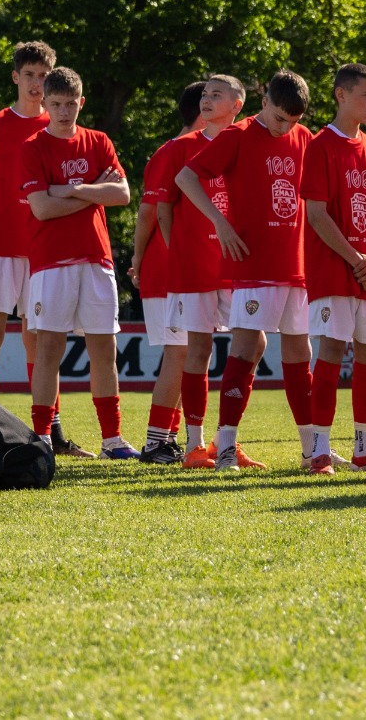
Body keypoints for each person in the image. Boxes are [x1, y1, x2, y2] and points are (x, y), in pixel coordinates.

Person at [178, 70, 314, 472]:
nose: (285, 127)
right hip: (254, 264)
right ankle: (225, 449)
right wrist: (220, 222)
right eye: (278, 117)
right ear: (264, 101)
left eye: (293, 121)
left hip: (296, 266)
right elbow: (187, 178)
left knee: (299, 354)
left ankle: (312, 450)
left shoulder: (305, 138)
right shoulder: (236, 136)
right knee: (243, 349)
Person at [23, 67, 138, 458]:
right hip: (51, 261)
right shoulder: (34, 146)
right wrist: (94, 192)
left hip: (96, 256)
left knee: (104, 349)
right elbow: (41, 208)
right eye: (55, 104)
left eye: (71, 103)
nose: (64, 111)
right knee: (49, 350)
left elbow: (121, 194)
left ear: (81, 102)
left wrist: (72, 189)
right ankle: (41, 438)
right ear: (44, 103)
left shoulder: (99, 140)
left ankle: (112, 440)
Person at [301, 64, 366, 473]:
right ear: (341, 95)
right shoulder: (320, 145)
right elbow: (317, 215)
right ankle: (319, 447)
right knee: (332, 352)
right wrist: (356, 259)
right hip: (335, 269)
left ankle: (363, 446)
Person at [155, 75, 246, 469]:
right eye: (205, 95)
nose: (206, 100)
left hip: (239, 265)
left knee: (250, 347)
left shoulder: (247, 142)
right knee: (198, 350)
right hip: (196, 268)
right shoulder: (181, 148)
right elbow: (161, 209)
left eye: (217, 95)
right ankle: (194, 445)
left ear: (237, 105)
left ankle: (227, 442)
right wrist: (183, 252)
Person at [0, 41, 56, 405]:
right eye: (29, 75)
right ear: (15, 77)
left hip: (42, 249)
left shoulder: (59, 127)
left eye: (43, 76)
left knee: (38, 338)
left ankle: (47, 428)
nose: (36, 84)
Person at [132, 82, 205, 463]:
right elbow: (148, 213)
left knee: (188, 352)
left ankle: (169, 438)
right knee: (180, 354)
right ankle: (156, 442)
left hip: (180, 270)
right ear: (200, 110)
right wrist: (140, 260)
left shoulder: (195, 150)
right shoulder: (172, 152)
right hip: (167, 271)